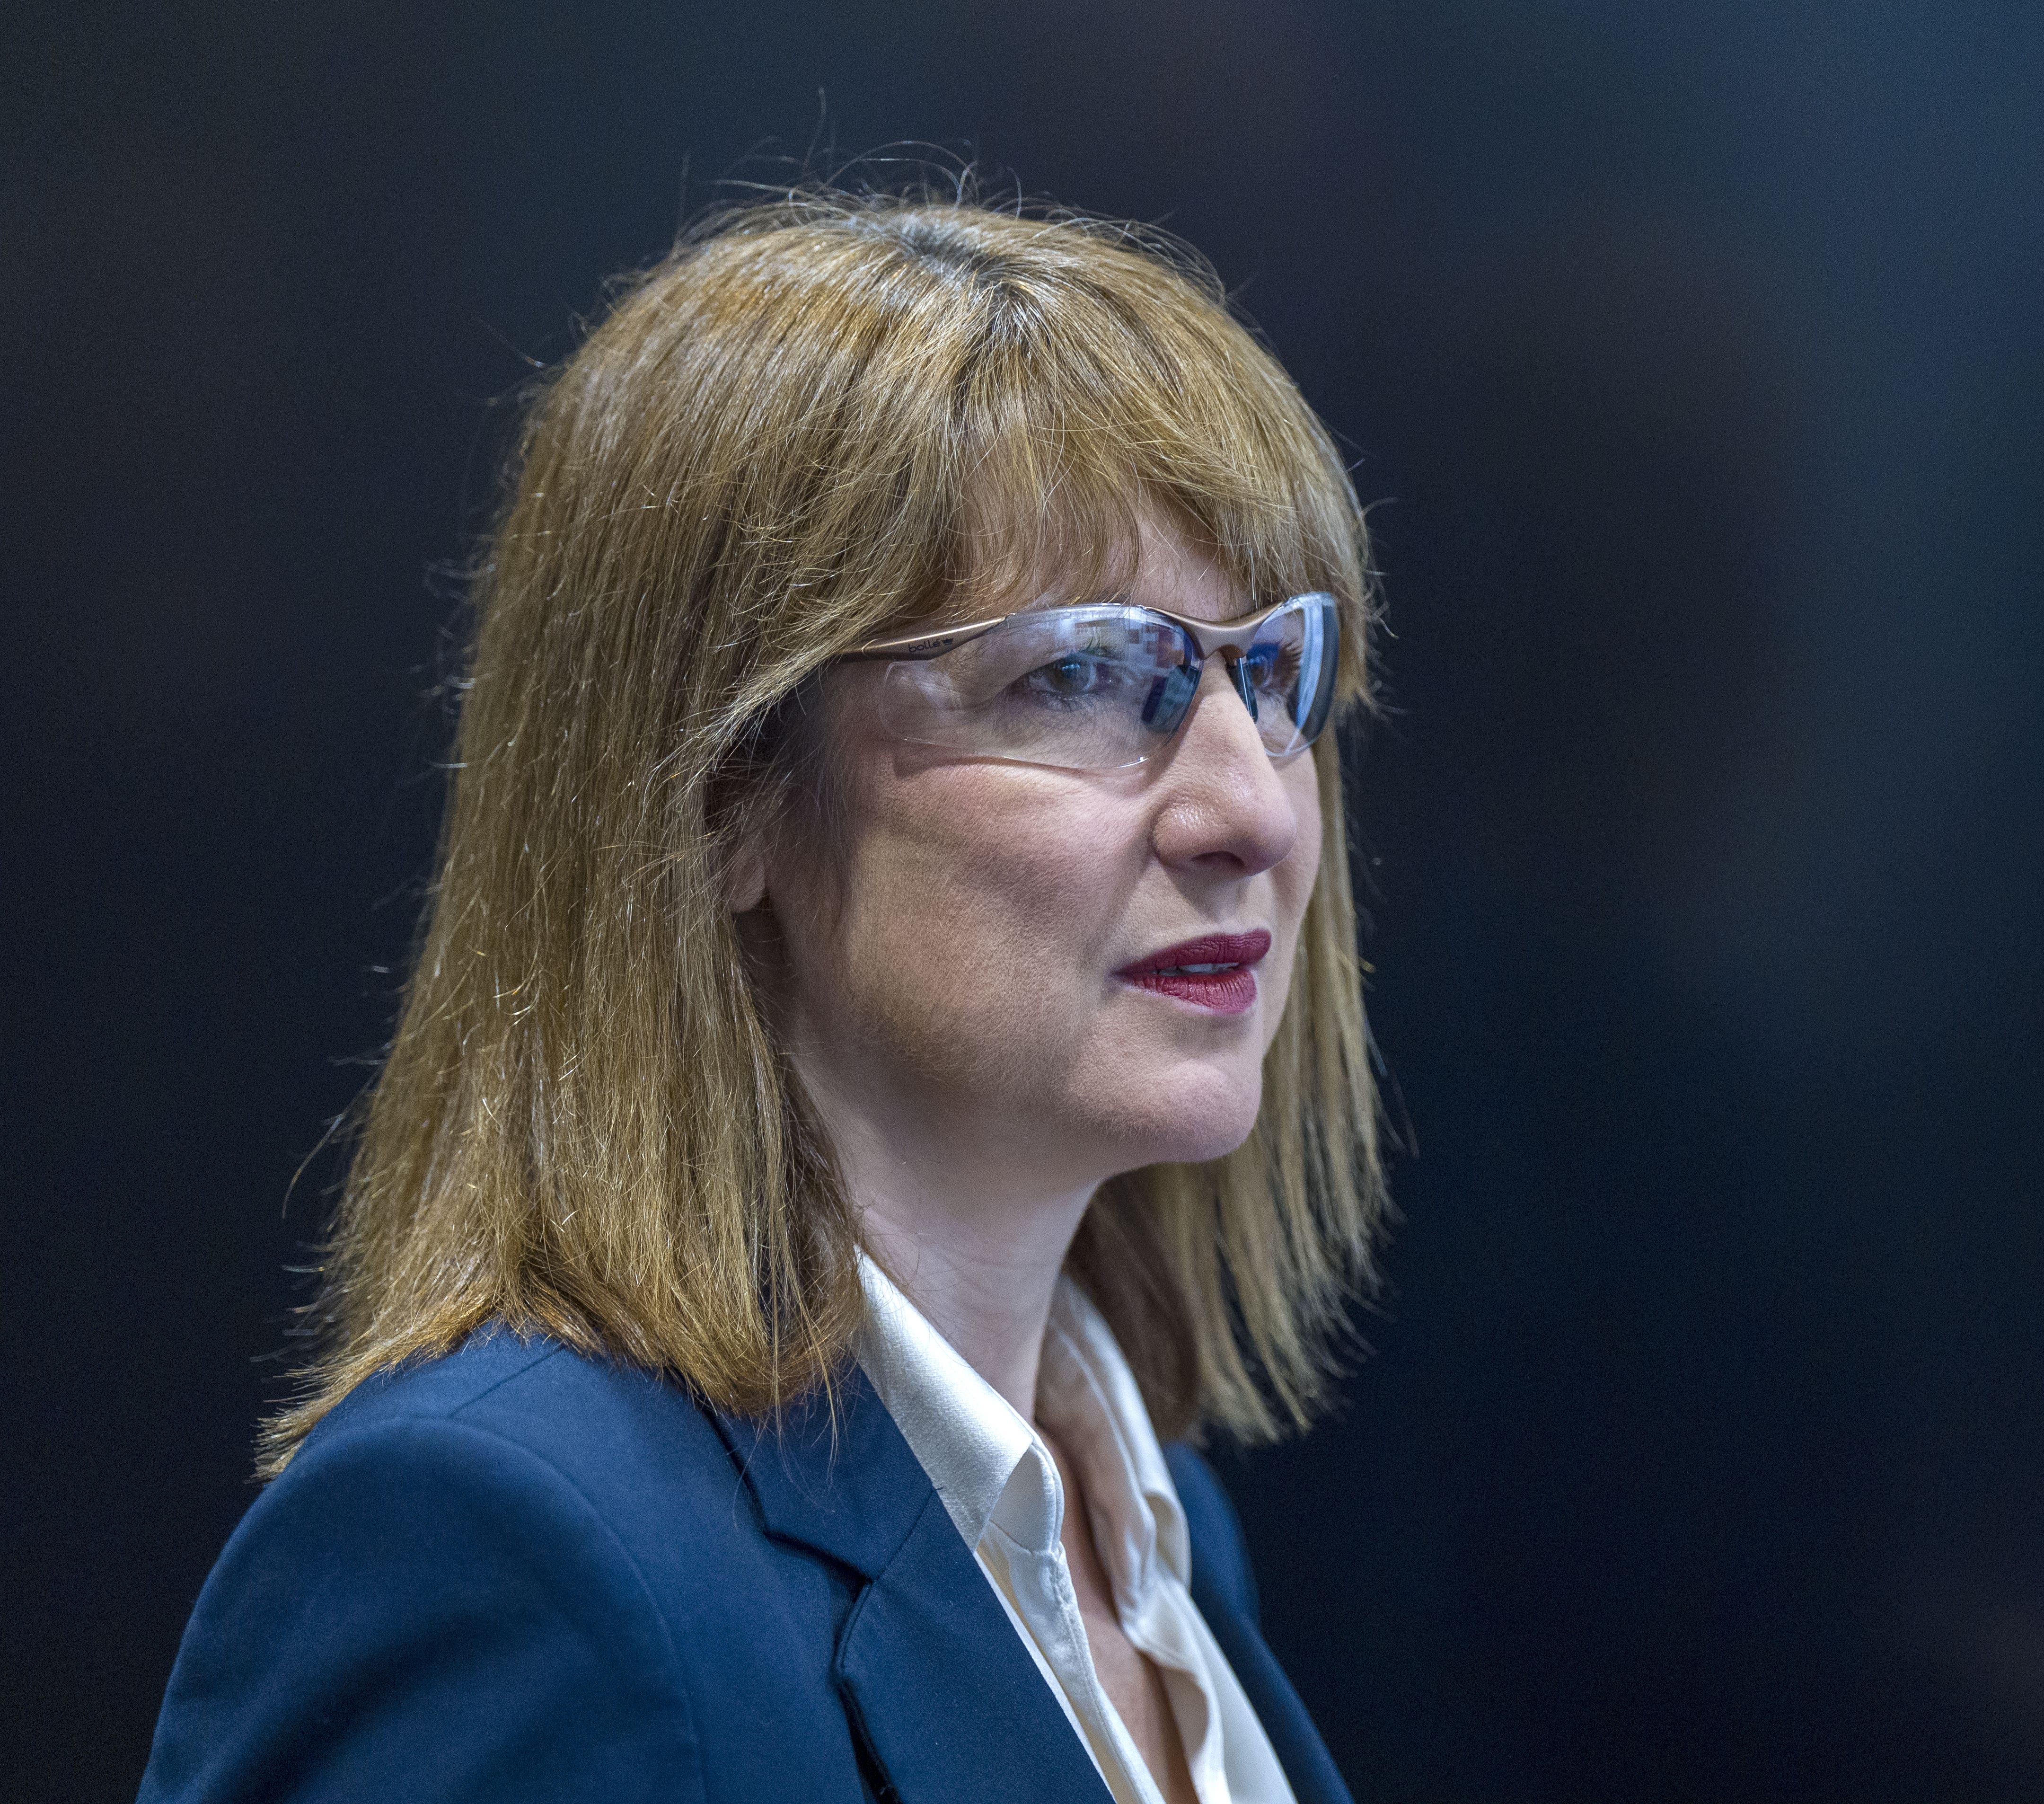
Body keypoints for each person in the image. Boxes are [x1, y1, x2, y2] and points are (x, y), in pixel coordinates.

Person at [138, 191, 1387, 1804]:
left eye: (1266, 674)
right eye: (1082, 674)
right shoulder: (505, 1553)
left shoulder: (1154, 1530)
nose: (1257, 810)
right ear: (728, 793)